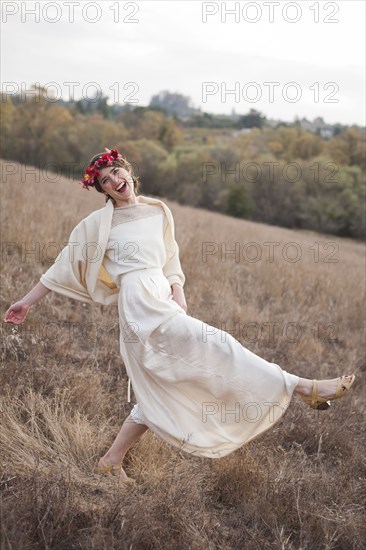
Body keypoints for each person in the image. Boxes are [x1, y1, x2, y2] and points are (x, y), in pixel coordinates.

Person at [4, 147, 356, 482]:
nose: (114, 181)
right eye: (105, 181)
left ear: (127, 170)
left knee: (159, 385)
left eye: (116, 172)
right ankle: (302, 386)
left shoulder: (159, 211)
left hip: (163, 299)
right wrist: (26, 302)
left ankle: (110, 462)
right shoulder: (98, 224)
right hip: (139, 304)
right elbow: (62, 266)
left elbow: (171, 259)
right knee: (220, 344)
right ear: (101, 190)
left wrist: (179, 292)